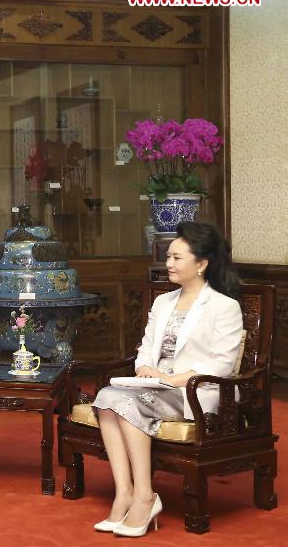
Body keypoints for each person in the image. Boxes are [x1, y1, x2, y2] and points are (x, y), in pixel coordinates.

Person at [91, 222, 242, 537]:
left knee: (124, 403)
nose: (169, 264)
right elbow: (145, 348)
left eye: (176, 258)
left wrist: (169, 379)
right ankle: (125, 493)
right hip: (154, 385)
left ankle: (146, 496)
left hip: (195, 391)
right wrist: (146, 369)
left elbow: (222, 365)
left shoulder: (224, 307)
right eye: (169, 257)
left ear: (202, 264)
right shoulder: (163, 302)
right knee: (107, 398)